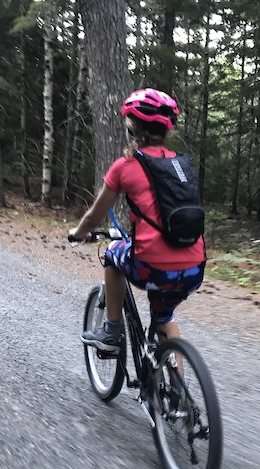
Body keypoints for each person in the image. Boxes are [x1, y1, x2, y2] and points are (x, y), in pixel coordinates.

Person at [69, 88, 206, 354]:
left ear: (132, 128)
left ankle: (111, 331)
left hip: (151, 267)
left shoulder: (126, 166)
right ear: (167, 131)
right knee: (165, 318)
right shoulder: (182, 165)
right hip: (193, 269)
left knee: (111, 253)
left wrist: (78, 233)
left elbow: (94, 216)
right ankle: (178, 391)